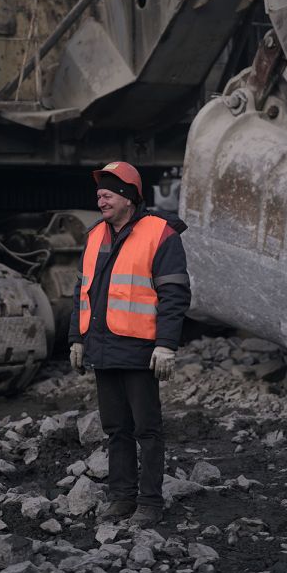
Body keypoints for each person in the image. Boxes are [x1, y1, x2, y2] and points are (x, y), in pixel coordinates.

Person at [69, 161, 190, 527]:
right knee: (116, 429)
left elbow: (174, 294)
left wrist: (166, 345)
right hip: (103, 350)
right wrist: (76, 338)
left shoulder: (161, 234)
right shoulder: (94, 236)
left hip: (140, 350)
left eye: (109, 192)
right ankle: (122, 497)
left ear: (128, 197)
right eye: (99, 192)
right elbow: (81, 292)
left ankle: (150, 503)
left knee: (147, 431)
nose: (100, 198)